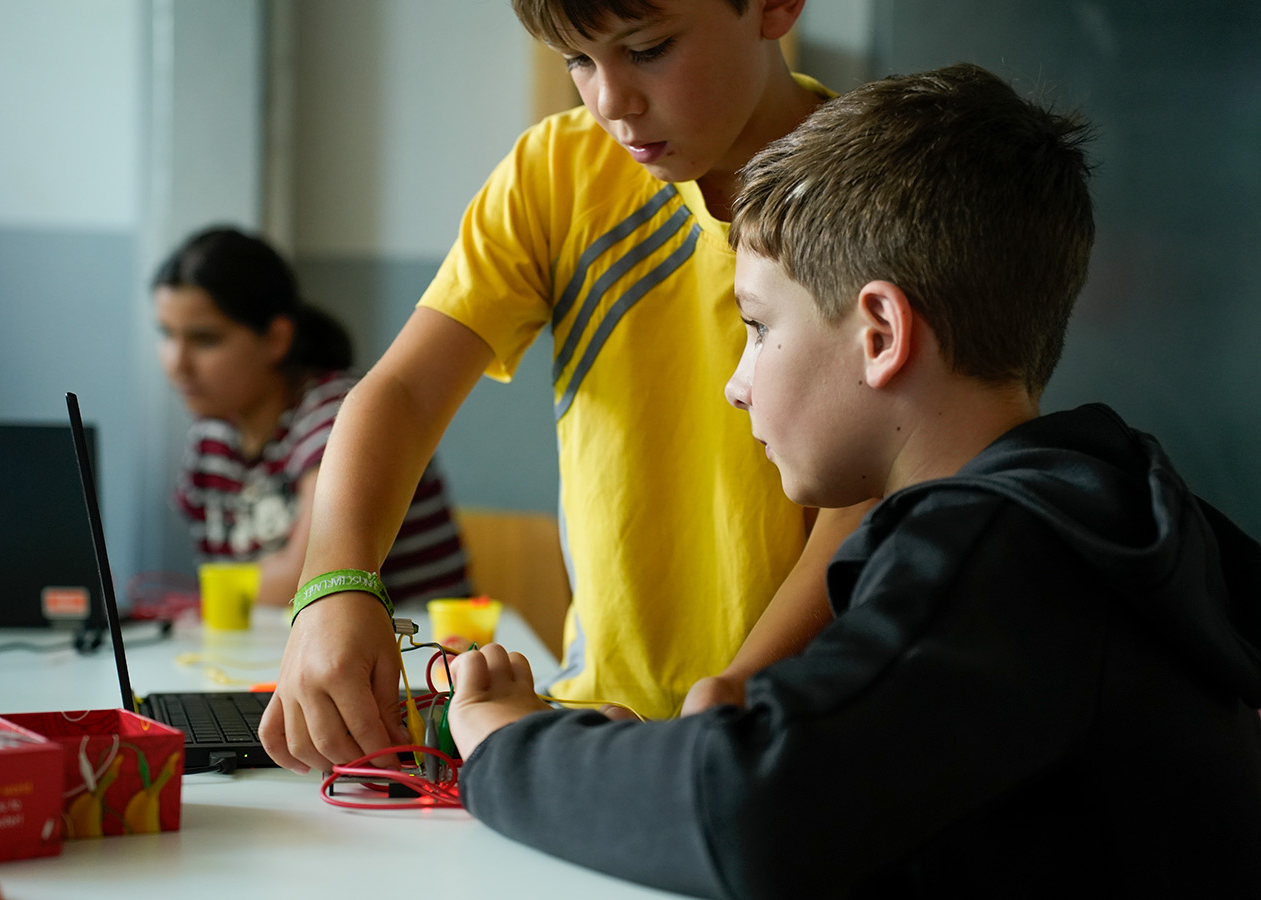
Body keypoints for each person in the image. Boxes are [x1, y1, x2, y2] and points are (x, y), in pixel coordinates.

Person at [444, 63, 1261, 897]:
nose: (738, 381)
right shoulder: (1101, 513)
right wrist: (632, 763)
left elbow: (752, 811)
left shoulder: (995, 552)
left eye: (757, 326)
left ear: (879, 334)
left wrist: (507, 745)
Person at [262, 0, 873, 774]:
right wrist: (334, 585)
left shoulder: (876, 188)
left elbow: (870, 489)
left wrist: (732, 695)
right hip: (601, 713)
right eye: (577, 61)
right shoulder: (559, 172)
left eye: (649, 48)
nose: (611, 101)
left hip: (794, 730)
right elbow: (405, 394)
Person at [153, 226, 471, 608]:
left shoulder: (339, 411)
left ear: (276, 339)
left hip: (419, 652)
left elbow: (304, 583)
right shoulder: (211, 434)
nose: (177, 364)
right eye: (167, 335)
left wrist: (203, 599)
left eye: (205, 339)